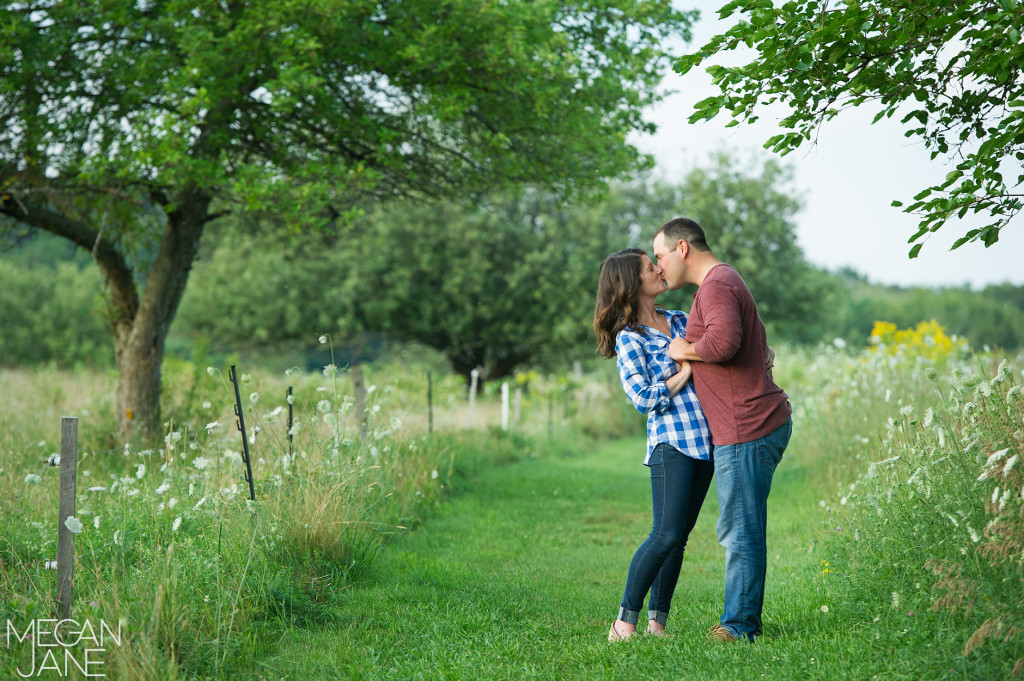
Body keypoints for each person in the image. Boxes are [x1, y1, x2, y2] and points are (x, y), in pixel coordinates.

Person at [652, 217, 793, 643]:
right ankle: (741, 619)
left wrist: (683, 349)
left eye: (659, 256)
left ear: (682, 248)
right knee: (740, 526)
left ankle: (739, 627)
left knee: (740, 529)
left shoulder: (715, 285)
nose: (658, 268)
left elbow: (726, 342)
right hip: (745, 426)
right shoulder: (720, 283)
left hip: (746, 427)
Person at [593, 248, 714, 642]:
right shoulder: (630, 339)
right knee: (664, 533)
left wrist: (692, 362)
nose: (659, 269)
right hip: (672, 443)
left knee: (679, 538)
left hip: (705, 441)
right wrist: (686, 371)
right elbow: (643, 399)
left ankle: (657, 625)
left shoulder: (680, 319)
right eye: (650, 267)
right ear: (632, 282)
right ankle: (623, 623)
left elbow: (711, 354)